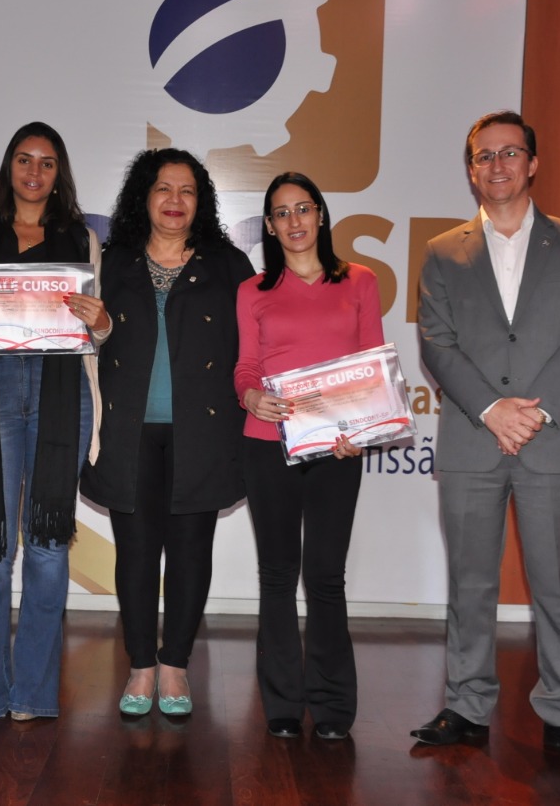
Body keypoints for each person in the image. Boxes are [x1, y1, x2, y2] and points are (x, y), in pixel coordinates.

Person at [413, 110, 560, 764]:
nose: (497, 165)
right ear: (471, 171)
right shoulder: (443, 251)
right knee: (470, 584)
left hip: (553, 438)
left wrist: (532, 413)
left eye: (509, 152)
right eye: (484, 156)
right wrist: (492, 410)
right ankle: (467, 705)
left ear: (532, 163)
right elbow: (437, 343)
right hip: (473, 439)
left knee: (558, 586)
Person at [80, 148, 254, 717]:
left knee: (189, 552)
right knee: (134, 553)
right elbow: (80, 336)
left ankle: (175, 665)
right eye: (163, 188)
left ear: (201, 202)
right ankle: (140, 666)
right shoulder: (111, 261)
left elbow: (254, 345)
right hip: (126, 429)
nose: (175, 201)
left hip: (203, 432)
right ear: (143, 196)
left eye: (187, 191)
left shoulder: (228, 264)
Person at [0, 122, 109, 721]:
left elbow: (97, 330)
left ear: (58, 173)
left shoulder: (81, 239)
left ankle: (33, 693)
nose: (34, 172)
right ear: (8, 167)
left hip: (61, 392)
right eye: (23, 159)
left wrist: (100, 319)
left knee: (46, 550)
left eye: (46, 162)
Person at [234, 172, 383, 740]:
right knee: (277, 575)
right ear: (269, 227)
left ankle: (333, 705)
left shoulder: (360, 281)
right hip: (266, 442)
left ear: (320, 214)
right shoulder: (253, 290)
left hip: (337, 449)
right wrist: (250, 396)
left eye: (303, 208)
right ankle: (281, 703)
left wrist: (362, 430)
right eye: (281, 213)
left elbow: (372, 364)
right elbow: (247, 366)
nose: (294, 221)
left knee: (325, 576)